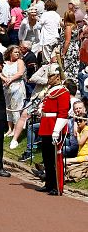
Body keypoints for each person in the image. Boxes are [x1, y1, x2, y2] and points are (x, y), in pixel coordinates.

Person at [37, 63, 70, 196]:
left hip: (54, 127)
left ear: (57, 77)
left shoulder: (63, 91)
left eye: (50, 76)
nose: (48, 78)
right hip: (46, 125)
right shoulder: (50, 90)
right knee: (47, 158)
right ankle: (49, 183)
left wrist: (56, 130)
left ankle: (57, 185)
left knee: (55, 158)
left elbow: (63, 113)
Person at [0, 45, 26, 135]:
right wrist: (4, 79)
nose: (17, 54)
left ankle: (16, 129)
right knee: (8, 108)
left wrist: (10, 79)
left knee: (16, 108)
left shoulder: (20, 62)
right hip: (6, 87)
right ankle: (9, 128)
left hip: (17, 86)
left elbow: (20, 73)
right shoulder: (5, 62)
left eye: (18, 52)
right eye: (15, 52)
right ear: (10, 53)